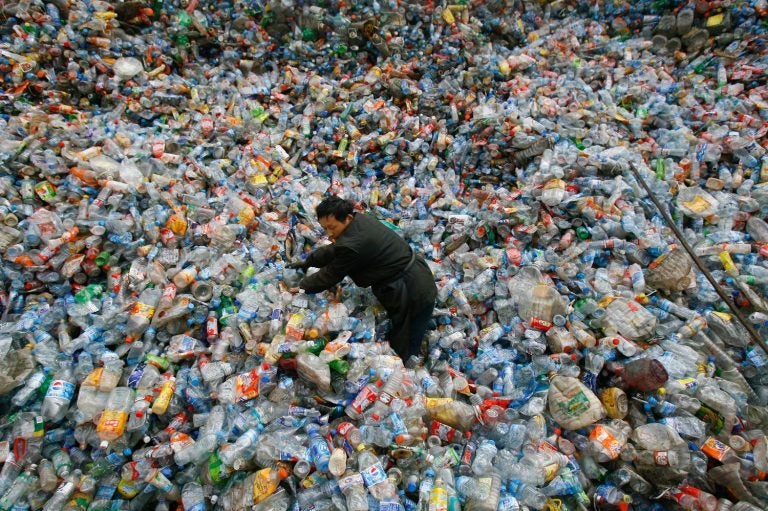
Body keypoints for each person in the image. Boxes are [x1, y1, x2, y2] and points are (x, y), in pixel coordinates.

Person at [288, 196, 437, 361]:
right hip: (413, 274)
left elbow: (330, 274)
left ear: (348, 218)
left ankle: (406, 370)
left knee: (405, 340)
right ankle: (423, 326)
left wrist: (303, 287)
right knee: (412, 321)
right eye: (325, 228)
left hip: (411, 288)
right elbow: (333, 250)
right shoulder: (358, 221)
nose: (329, 233)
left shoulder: (353, 243)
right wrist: (307, 262)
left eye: (332, 227)